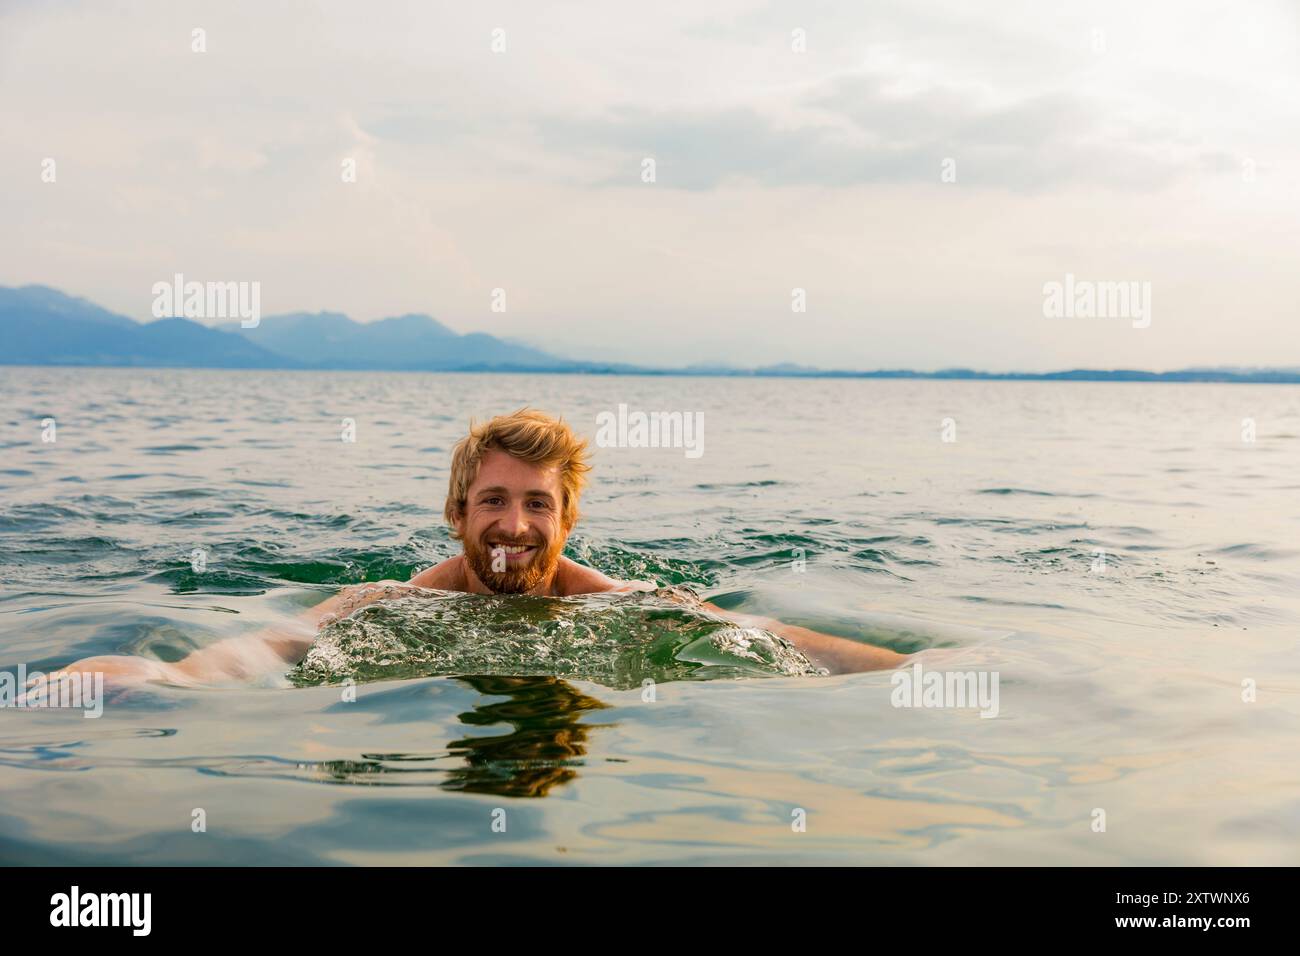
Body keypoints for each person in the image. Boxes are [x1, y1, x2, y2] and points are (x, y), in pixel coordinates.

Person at [34, 408, 906, 692]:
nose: (516, 527)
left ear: (567, 522)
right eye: (494, 501)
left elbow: (762, 635)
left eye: (537, 505)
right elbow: (267, 645)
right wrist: (158, 679)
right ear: (457, 513)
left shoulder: (619, 602)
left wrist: (917, 670)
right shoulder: (386, 602)